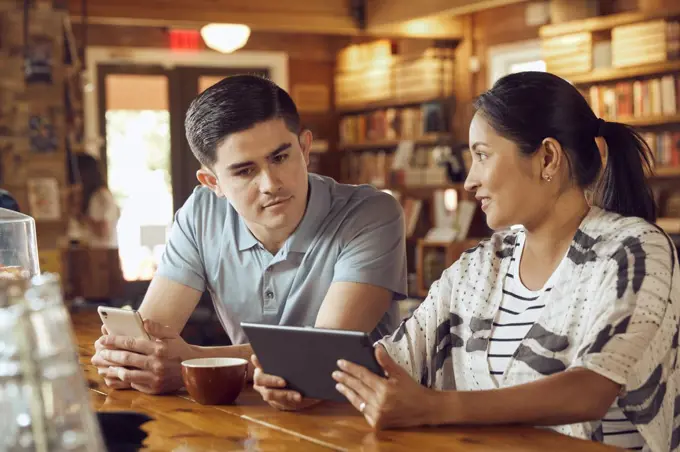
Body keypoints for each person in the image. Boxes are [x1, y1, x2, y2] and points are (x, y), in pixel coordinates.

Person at [329, 72, 679, 451]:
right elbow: (394, 358)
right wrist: (302, 381)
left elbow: (590, 389)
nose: (470, 181)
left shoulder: (635, 250)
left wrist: (435, 407)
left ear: (547, 157)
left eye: (482, 155)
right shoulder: (479, 265)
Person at [91, 75, 407, 407]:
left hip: (362, 420)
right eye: (245, 172)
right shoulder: (201, 214)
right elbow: (152, 339)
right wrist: (129, 360)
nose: (271, 184)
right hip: (253, 418)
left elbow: (325, 353)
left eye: (281, 157)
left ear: (304, 147)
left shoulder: (372, 213)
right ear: (213, 182)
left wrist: (193, 362)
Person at [70, 153, 120, 248]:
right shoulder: (95, 195)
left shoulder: (101, 196)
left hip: (102, 254)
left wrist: (81, 216)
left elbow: (102, 230)